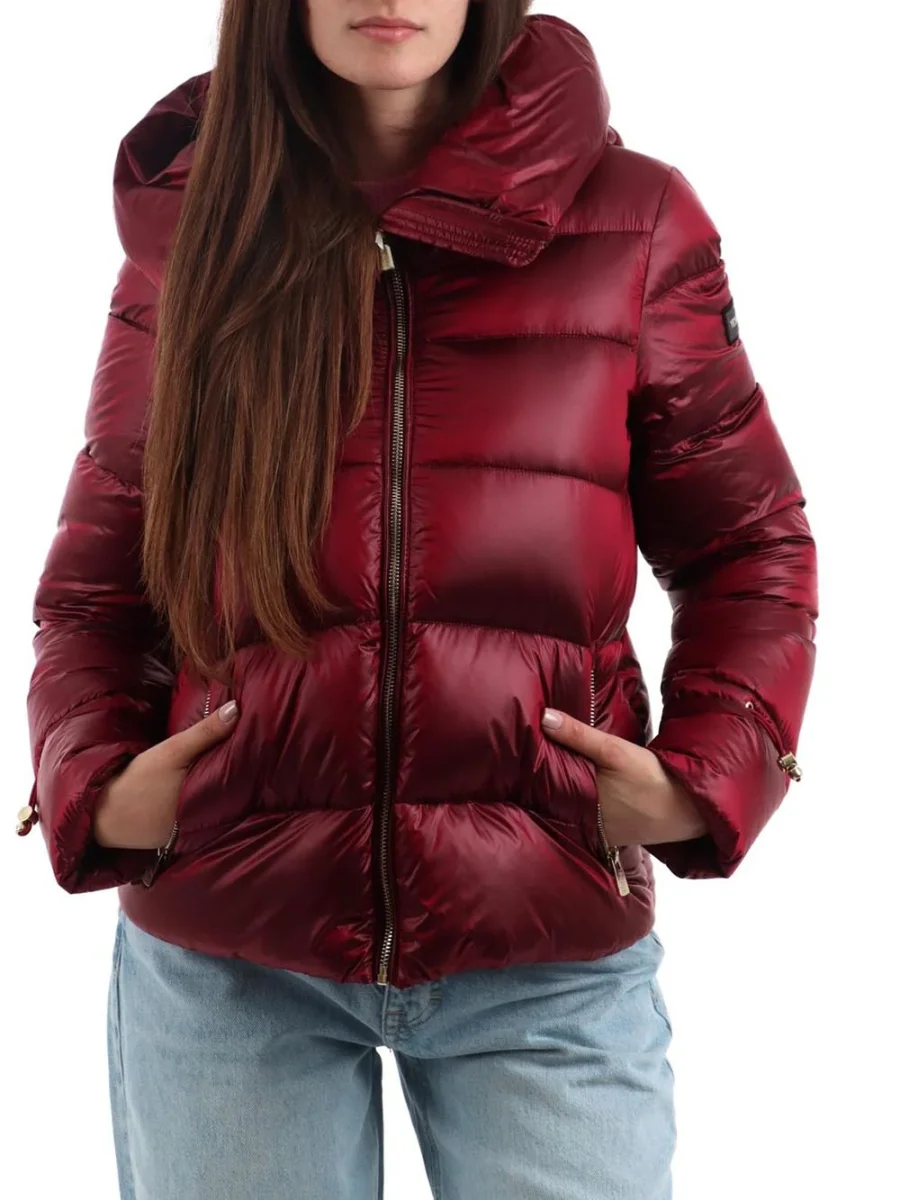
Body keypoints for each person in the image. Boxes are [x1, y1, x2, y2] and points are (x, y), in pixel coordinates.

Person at [21, 3, 818, 1198]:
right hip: (229, 954)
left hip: (544, 944)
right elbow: (97, 585)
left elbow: (750, 546)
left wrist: (705, 777)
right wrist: (96, 783)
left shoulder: (635, 221)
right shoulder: (198, 230)